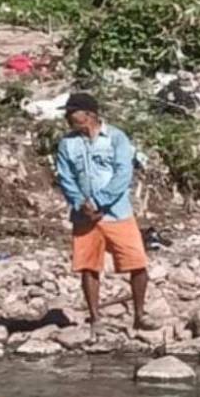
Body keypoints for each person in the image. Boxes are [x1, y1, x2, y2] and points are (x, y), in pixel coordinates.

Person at [53, 92, 156, 337]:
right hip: (84, 216)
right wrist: (80, 202)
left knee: (137, 262)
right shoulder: (68, 143)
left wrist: (99, 202)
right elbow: (65, 177)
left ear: (89, 114)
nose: (68, 118)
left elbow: (123, 174)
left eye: (72, 112)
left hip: (116, 212)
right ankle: (95, 318)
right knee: (88, 266)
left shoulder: (116, 138)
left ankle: (140, 315)